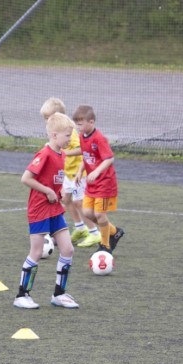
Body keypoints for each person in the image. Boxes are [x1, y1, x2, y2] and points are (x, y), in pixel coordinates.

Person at [14, 112, 80, 310]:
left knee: (68, 249)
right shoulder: (44, 154)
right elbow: (26, 178)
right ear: (54, 135)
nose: (70, 138)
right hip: (39, 209)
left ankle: (59, 294)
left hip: (54, 209)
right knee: (36, 251)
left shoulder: (61, 154)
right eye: (67, 135)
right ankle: (22, 295)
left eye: (70, 135)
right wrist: (48, 191)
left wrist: (59, 193)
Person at [36, 98, 98, 249]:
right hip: (67, 173)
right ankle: (80, 227)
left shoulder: (71, 133)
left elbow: (83, 149)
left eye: (48, 118)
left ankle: (94, 232)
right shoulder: (56, 133)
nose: (46, 121)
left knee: (79, 202)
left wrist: (65, 152)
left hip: (78, 173)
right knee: (66, 199)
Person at [73, 105, 123, 253]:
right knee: (88, 213)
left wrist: (96, 172)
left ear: (91, 122)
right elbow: (86, 156)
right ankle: (114, 232)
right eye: (77, 124)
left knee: (100, 214)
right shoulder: (82, 137)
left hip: (105, 183)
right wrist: (80, 171)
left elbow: (109, 159)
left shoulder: (99, 138)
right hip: (92, 183)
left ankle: (105, 245)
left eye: (80, 124)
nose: (78, 127)